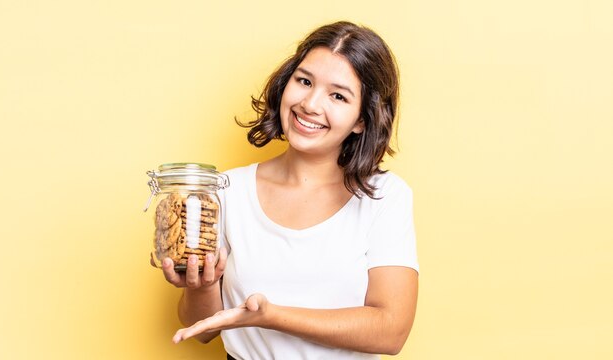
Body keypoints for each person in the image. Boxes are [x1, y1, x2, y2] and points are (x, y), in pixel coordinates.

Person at [158, 21, 419, 359]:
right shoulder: (226, 190)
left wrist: (272, 316)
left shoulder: (384, 197)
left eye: (338, 95)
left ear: (361, 119)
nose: (310, 104)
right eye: (304, 81)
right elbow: (203, 329)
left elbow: (391, 331)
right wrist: (202, 285)